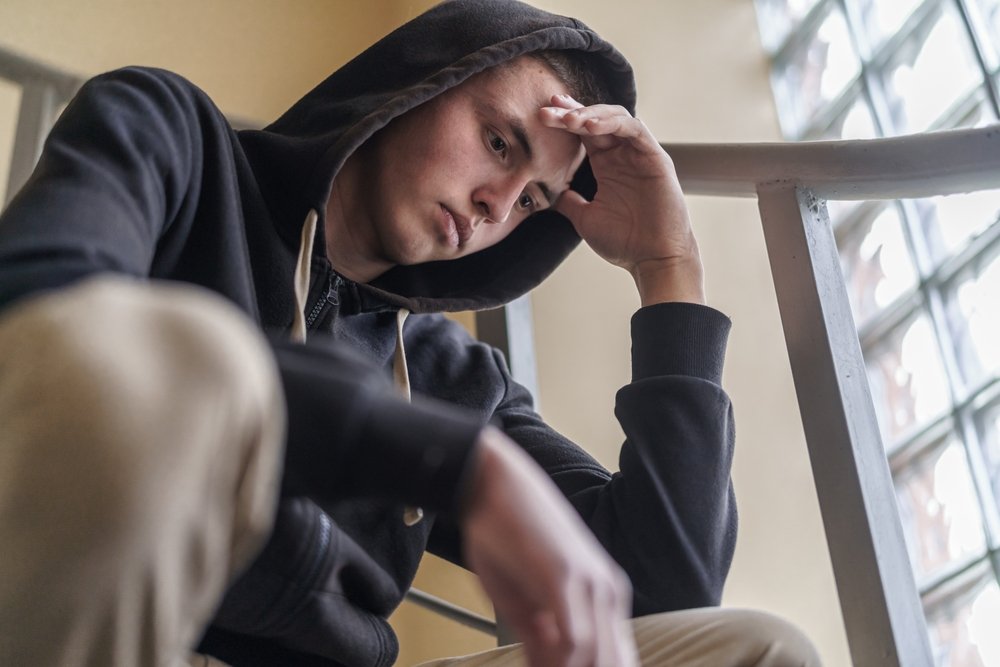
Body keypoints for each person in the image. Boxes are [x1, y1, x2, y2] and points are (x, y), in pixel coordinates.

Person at [0, 1, 820, 665]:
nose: (499, 202)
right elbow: (42, 310)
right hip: (92, 618)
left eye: (533, 200)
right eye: (499, 143)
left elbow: (661, 593)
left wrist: (668, 267)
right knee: (180, 357)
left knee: (760, 648)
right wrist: (446, 459)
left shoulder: (454, 380)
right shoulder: (171, 133)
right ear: (420, 83)